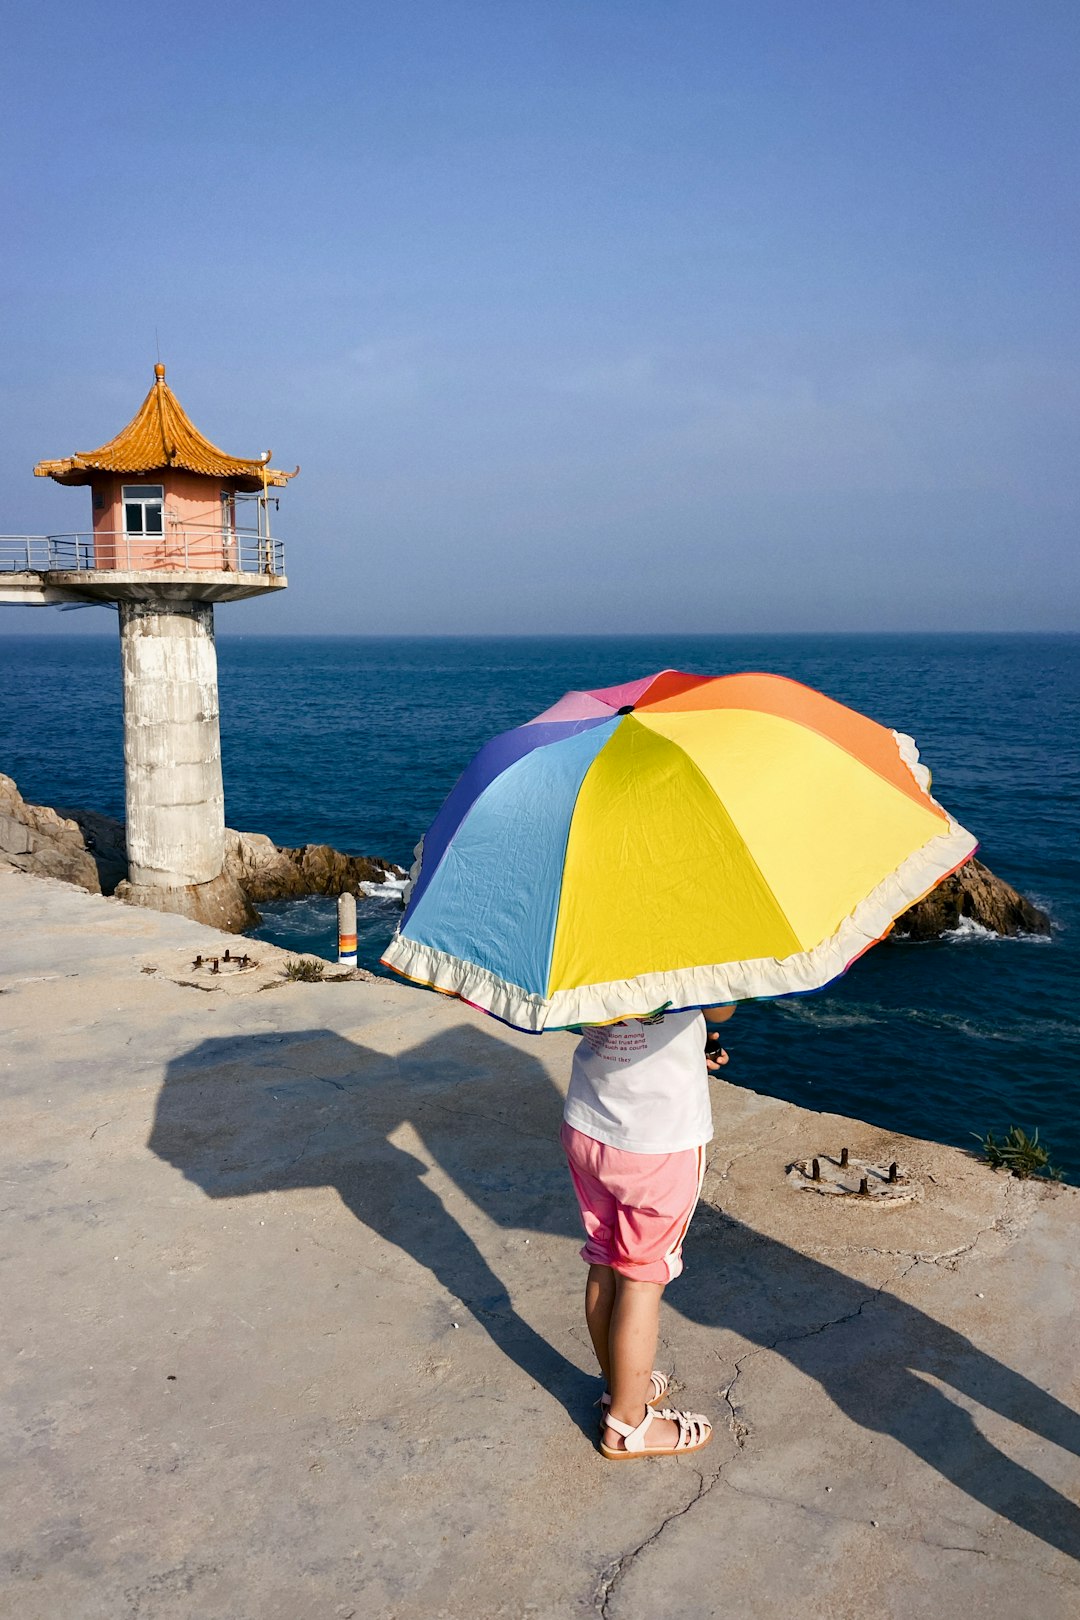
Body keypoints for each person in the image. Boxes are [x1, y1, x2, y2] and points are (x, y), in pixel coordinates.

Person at [561, 1002, 736, 1459]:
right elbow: (721, 1007)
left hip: (589, 1124)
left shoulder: (583, 936)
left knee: (603, 1255)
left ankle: (620, 1385)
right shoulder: (682, 936)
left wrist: (688, 1049)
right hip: (658, 1142)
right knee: (641, 1277)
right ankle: (627, 1424)